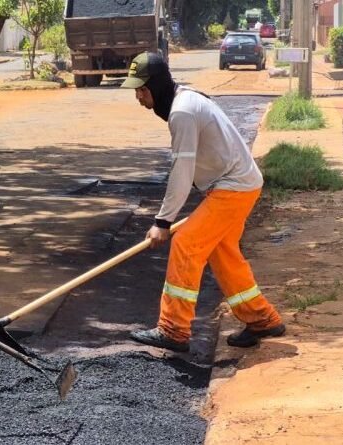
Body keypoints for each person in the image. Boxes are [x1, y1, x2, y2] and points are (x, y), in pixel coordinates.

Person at [121, 52, 285, 353]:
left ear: (154, 88)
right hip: (239, 184)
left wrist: (163, 222)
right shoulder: (184, 99)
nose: (138, 97)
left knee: (186, 244)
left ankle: (173, 329)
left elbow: (181, 171)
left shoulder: (182, 112)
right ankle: (262, 318)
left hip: (233, 187)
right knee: (223, 254)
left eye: (141, 90)